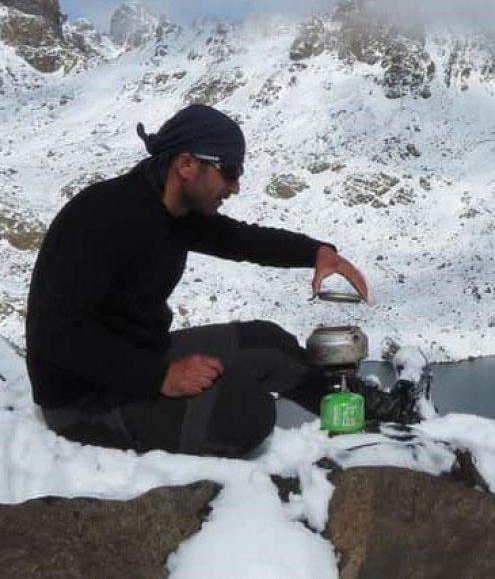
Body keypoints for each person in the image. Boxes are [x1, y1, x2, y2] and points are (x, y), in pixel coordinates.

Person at [25, 104, 412, 458]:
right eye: (229, 171)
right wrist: (160, 378)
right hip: (84, 400)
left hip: (144, 356)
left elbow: (240, 240)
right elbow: (56, 337)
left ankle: (371, 410)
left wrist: (316, 252)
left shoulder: (173, 211)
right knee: (249, 413)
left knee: (269, 343)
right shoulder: (101, 217)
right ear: (187, 164)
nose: (235, 186)